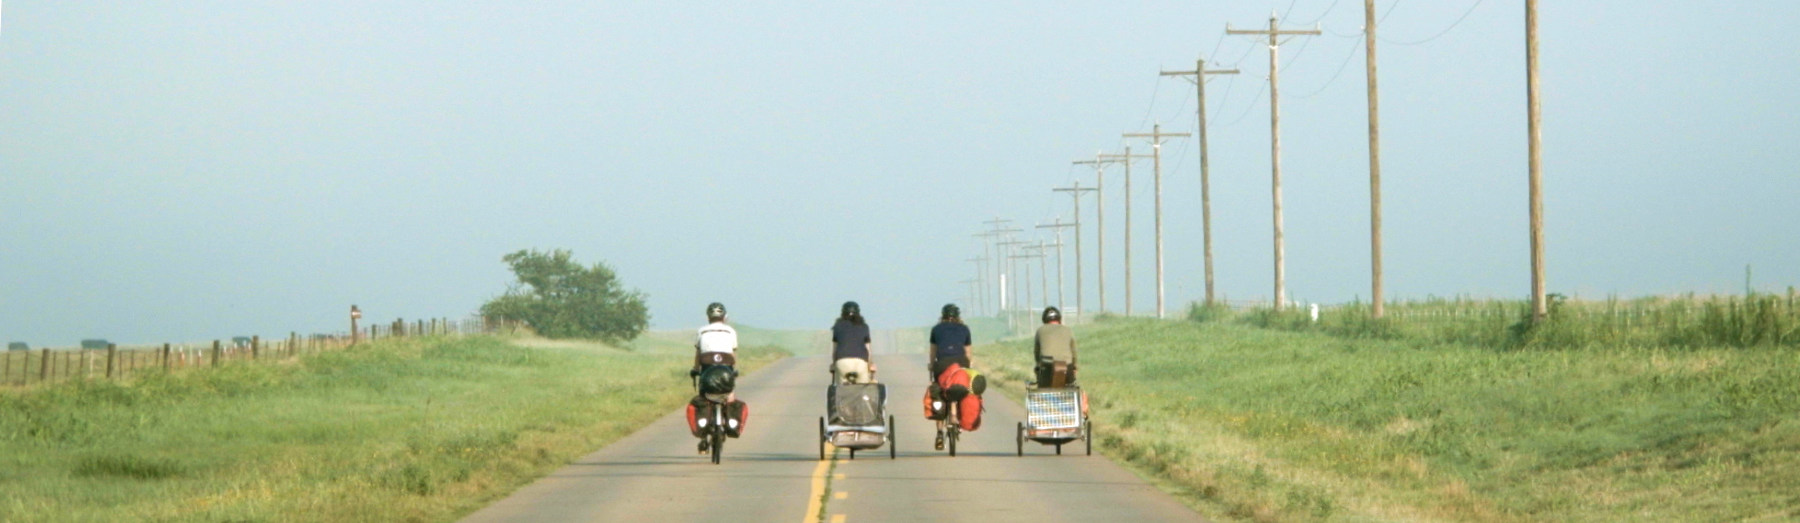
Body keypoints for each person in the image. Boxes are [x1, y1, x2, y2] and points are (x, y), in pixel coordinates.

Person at [691, 302, 741, 454]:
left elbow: (698, 354)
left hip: (707, 372)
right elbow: (733, 354)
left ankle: (703, 435)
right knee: (730, 397)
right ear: (724, 317)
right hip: (726, 372)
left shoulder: (702, 331)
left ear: (708, 317)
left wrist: (695, 370)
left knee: (703, 397)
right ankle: (730, 422)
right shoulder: (730, 331)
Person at [830, 301, 874, 384]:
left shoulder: (837, 326)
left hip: (842, 362)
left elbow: (834, 350)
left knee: (841, 388)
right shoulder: (864, 326)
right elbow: (868, 350)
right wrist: (870, 365)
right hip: (860, 362)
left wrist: (834, 364)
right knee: (863, 387)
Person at [1033, 306, 1077, 387]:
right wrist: (1074, 367)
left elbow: (1037, 352)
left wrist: (1038, 365)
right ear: (1059, 319)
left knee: (1043, 391)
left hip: (1046, 367)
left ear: (1044, 319)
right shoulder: (1067, 330)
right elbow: (1073, 352)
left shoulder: (1040, 330)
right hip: (1067, 367)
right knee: (1071, 389)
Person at [927, 303, 972, 379]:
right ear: (958, 316)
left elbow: (933, 352)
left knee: (937, 385)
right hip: (962, 362)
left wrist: (931, 365)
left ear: (943, 315)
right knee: (967, 383)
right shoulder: (964, 329)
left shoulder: (936, 329)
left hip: (943, 363)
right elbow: (968, 353)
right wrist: (969, 365)